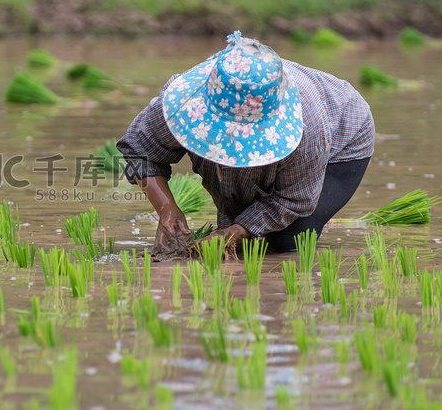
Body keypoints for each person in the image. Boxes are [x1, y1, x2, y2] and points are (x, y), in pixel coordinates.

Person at [117, 31, 375, 255]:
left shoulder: (307, 130)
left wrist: (237, 231)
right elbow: (140, 149)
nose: (230, 141)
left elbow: (293, 200)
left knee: (287, 241)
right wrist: (166, 208)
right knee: (238, 237)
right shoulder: (183, 100)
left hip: (342, 141)